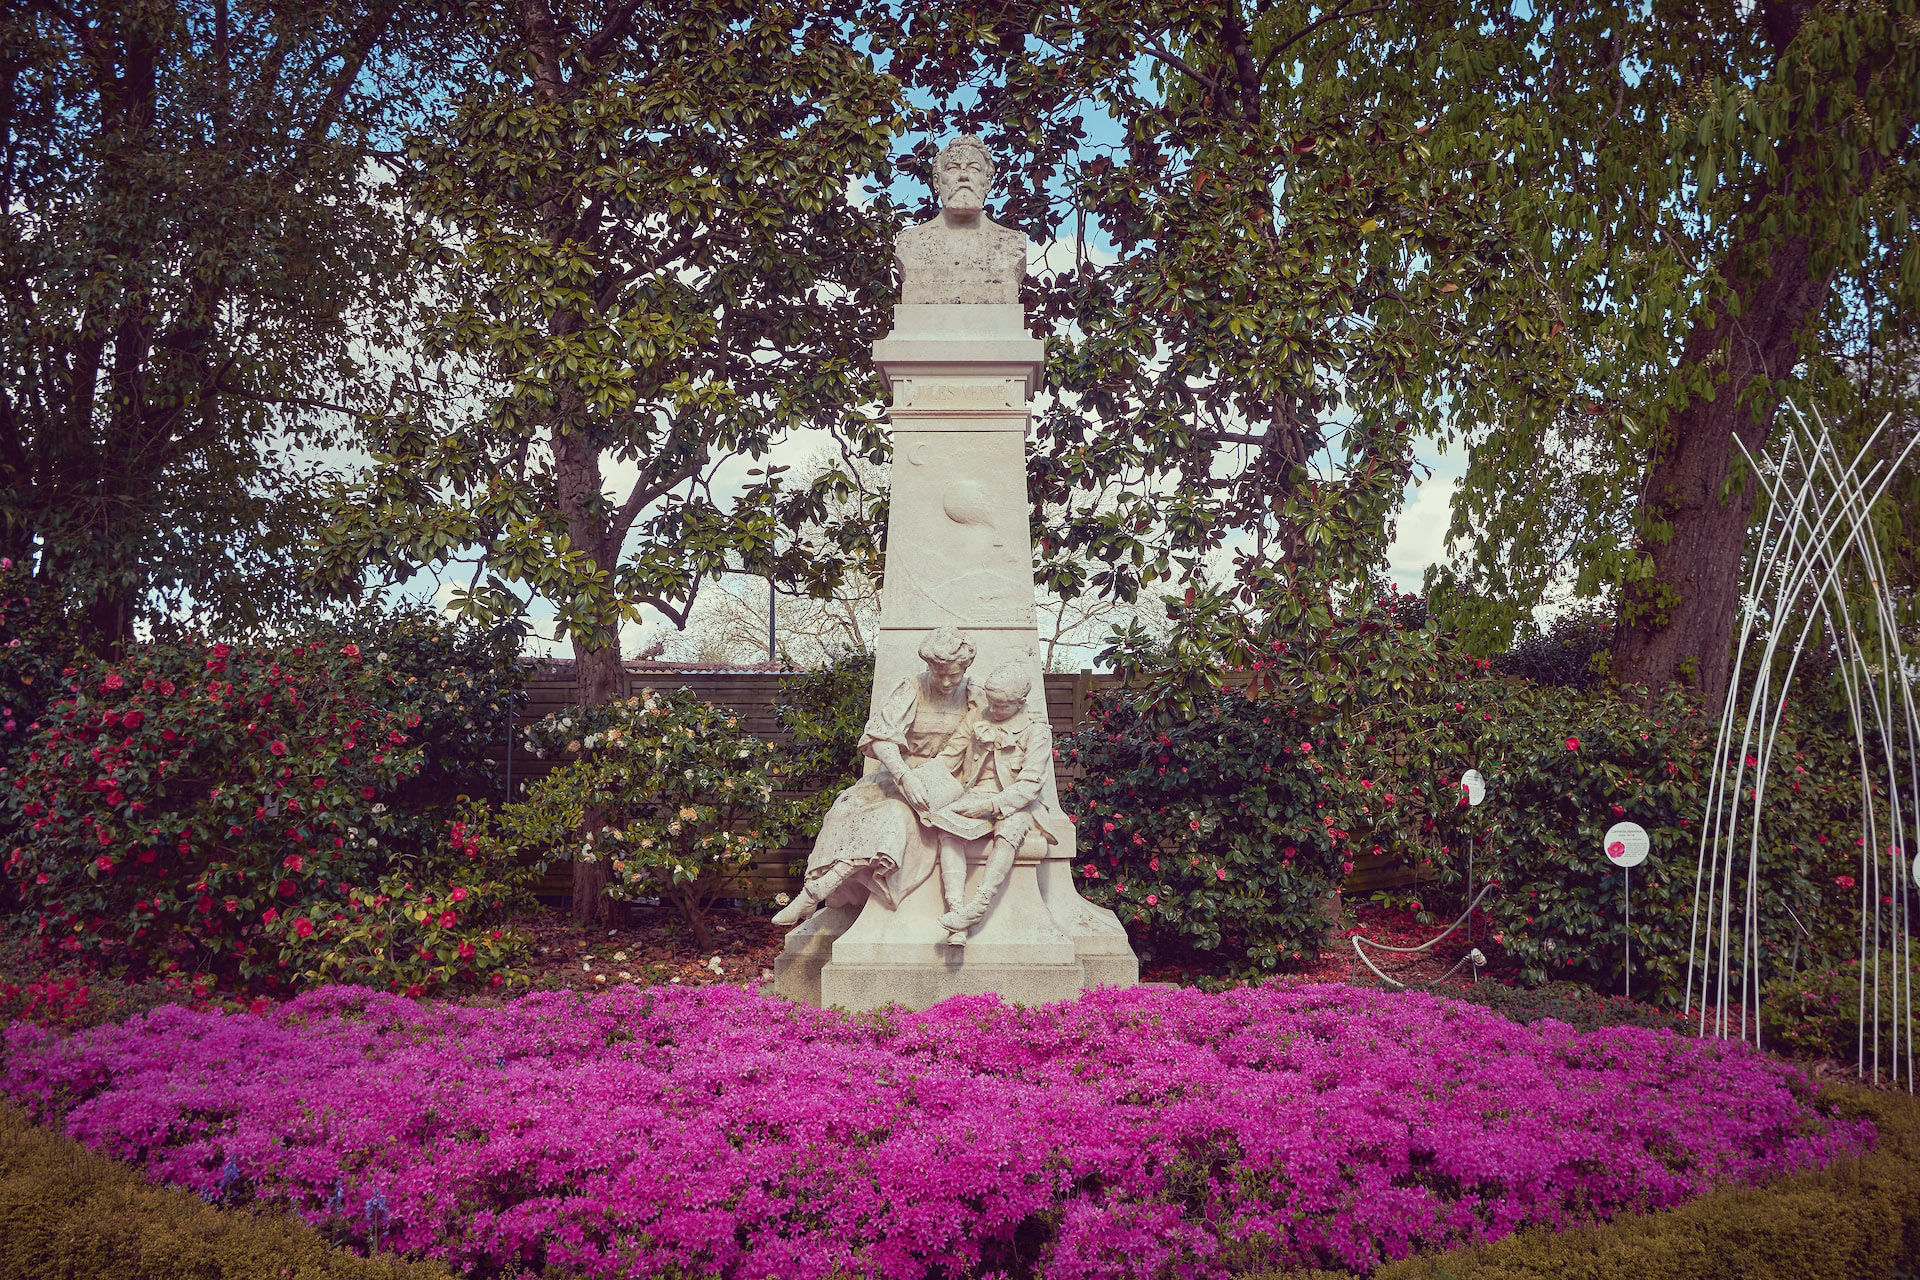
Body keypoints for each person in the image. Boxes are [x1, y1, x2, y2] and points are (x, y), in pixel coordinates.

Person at [770, 628, 976, 927]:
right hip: (898, 775)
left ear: (965, 669)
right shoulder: (913, 687)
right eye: (938, 672)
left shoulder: (973, 695)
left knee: (893, 817)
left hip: (941, 784)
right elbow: (880, 737)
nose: (945, 682)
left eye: (953, 675)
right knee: (845, 807)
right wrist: (904, 775)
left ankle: (813, 895)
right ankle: (816, 891)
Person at [930, 661, 1068, 945]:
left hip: (1016, 802)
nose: (994, 710)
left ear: (1020, 703)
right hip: (973, 793)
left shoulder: (1036, 730)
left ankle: (977, 907)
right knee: (947, 830)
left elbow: (1030, 785)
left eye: (1002, 705)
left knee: (1009, 834)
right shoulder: (978, 715)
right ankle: (956, 911)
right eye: (991, 702)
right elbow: (950, 754)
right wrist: (922, 782)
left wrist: (989, 807)